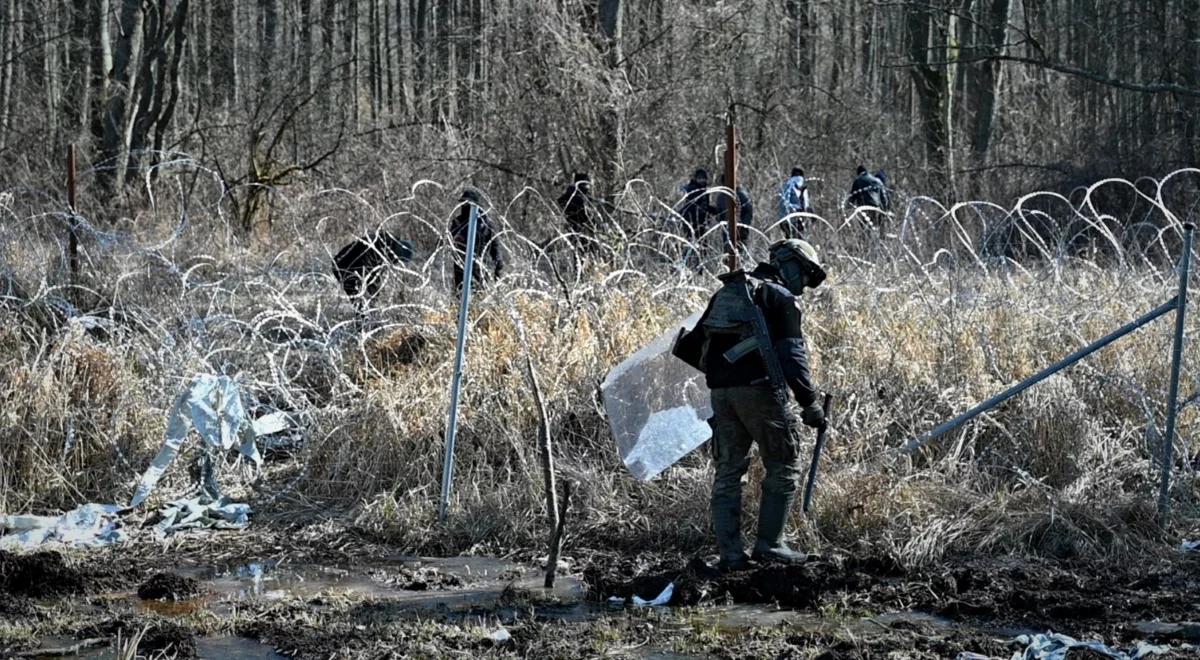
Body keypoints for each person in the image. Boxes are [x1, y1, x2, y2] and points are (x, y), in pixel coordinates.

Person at [672, 239, 827, 571]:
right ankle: (771, 545)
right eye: (803, 273)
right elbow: (792, 356)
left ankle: (730, 555)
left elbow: (690, 348)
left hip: (721, 394)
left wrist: (728, 375)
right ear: (790, 264)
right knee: (784, 463)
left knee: (728, 471)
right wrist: (809, 403)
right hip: (761, 392)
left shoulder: (728, 292)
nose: (803, 284)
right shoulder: (779, 297)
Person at [332, 231, 413, 308]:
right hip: (342, 266)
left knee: (367, 298)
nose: (396, 262)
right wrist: (374, 296)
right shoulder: (377, 249)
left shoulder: (385, 244)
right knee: (358, 300)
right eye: (397, 260)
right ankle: (363, 318)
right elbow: (371, 273)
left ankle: (365, 314)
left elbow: (375, 273)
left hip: (350, 263)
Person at [449, 188, 503, 290]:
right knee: (460, 296)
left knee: (478, 296)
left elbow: (495, 245)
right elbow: (449, 240)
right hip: (460, 265)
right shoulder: (457, 223)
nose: (464, 206)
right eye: (463, 203)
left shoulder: (485, 223)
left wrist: (498, 264)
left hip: (480, 266)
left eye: (467, 203)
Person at [557, 172, 609, 248]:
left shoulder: (573, 194)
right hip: (581, 229)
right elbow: (584, 215)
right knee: (588, 249)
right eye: (587, 182)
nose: (589, 185)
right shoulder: (577, 196)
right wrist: (596, 225)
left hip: (574, 229)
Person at [714, 174, 754, 253]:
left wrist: (743, 226)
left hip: (740, 231)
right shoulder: (721, 196)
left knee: (739, 253)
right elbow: (719, 213)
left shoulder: (741, 194)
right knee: (728, 253)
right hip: (727, 231)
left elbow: (748, 211)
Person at [677, 168, 714, 240]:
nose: (702, 180)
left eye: (704, 178)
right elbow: (693, 206)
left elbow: (705, 206)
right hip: (692, 222)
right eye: (700, 178)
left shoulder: (704, 190)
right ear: (696, 179)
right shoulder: (693, 190)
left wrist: (712, 210)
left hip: (701, 222)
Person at [777, 167, 812, 239]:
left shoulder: (787, 186)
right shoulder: (800, 186)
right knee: (798, 241)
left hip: (788, 220)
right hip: (795, 220)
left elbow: (783, 203)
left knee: (792, 241)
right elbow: (805, 204)